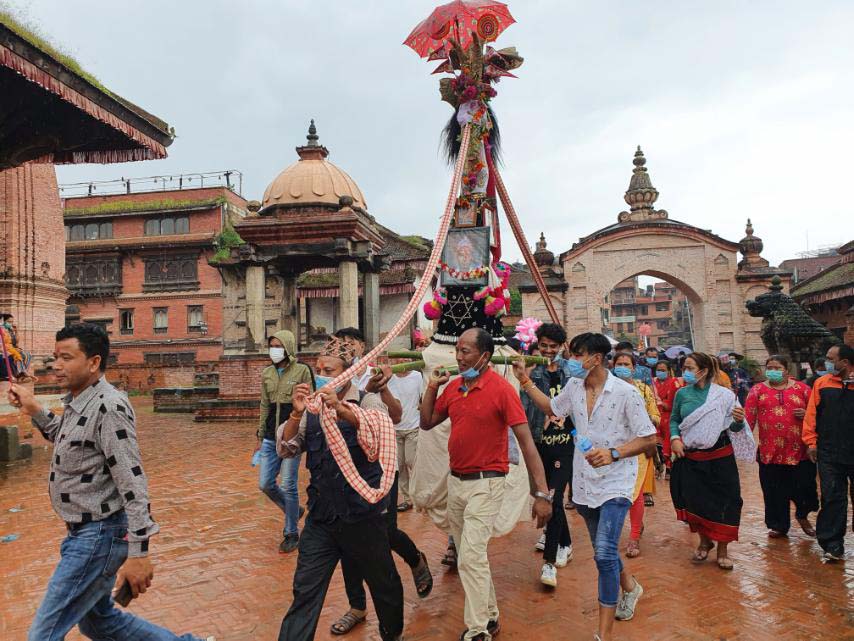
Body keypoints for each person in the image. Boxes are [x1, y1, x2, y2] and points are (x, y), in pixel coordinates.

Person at [7, 323, 213, 641]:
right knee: (98, 621)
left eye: (67, 357)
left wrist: (140, 551)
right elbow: (62, 435)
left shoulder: (109, 407)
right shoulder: (80, 402)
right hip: (82, 532)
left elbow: (132, 481)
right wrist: (33, 406)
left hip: (98, 536)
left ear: (93, 362)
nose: (57, 365)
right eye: (55, 357)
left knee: (43, 635)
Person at [515, 332, 657, 641]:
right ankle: (631, 588)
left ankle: (603, 634)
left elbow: (649, 437)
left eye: (577, 356)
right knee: (602, 550)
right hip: (583, 482)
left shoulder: (626, 393)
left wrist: (614, 453)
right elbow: (552, 408)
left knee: (604, 553)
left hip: (617, 482)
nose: (571, 361)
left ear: (595, 358)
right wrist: (525, 381)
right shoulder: (573, 387)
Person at [421, 328, 552, 641]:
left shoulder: (502, 390)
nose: (459, 356)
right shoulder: (453, 387)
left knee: (471, 555)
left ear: (485, 355)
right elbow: (427, 422)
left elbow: (527, 444)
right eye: (458, 350)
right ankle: (491, 617)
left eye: (466, 351)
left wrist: (542, 494)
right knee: (471, 556)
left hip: (488, 483)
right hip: (457, 482)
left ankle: (478, 628)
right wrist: (432, 388)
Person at [276, 338, 404, 641]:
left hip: (362, 516)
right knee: (305, 589)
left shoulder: (367, 401)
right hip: (322, 518)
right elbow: (287, 448)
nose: (321, 375)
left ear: (348, 372)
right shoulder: (312, 408)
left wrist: (343, 410)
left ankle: (392, 634)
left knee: (383, 583)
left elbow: (376, 435)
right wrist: (295, 414)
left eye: (329, 370)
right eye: (318, 369)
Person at [331, 364, 432, 636]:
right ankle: (357, 606)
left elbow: (397, 416)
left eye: (350, 345)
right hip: (344, 477)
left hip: (382, 472)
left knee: (386, 533)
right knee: (347, 540)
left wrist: (381, 388)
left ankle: (415, 559)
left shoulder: (375, 374)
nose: (325, 371)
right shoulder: (327, 387)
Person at [670, 352, 750, 571]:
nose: (684, 372)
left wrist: (738, 421)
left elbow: (733, 429)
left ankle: (723, 551)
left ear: (703, 371)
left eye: (689, 368)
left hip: (720, 458)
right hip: (691, 458)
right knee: (697, 501)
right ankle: (705, 542)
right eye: (683, 368)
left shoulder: (724, 396)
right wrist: (675, 438)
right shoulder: (682, 394)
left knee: (726, 502)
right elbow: (674, 420)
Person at [518, 322, 574, 586]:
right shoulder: (531, 371)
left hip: (566, 444)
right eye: (544, 346)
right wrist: (524, 379)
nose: (548, 351)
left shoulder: (570, 372)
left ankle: (549, 563)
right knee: (545, 495)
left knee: (553, 498)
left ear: (561, 347)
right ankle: (566, 542)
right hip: (540, 443)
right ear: (537, 344)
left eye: (553, 347)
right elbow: (524, 409)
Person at [744, 355, 817, 538]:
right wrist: (744, 445)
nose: (773, 371)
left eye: (777, 367)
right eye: (770, 367)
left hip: (800, 451)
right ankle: (779, 525)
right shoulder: (757, 390)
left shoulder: (803, 389)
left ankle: (802, 515)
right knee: (774, 491)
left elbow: (817, 413)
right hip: (770, 452)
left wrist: (807, 414)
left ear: (787, 370)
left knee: (805, 488)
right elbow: (748, 420)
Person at [258, 330, 314, 553]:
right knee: (265, 484)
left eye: (279, 345)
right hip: (271, 437)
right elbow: (264, 404)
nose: (275, 349)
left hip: (292, 435)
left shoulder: (302, 370)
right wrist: (260, 434)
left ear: (288, 347)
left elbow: (310, 402)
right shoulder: (267, 373)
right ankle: (294, 510)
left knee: (288, 484)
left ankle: (291, 532)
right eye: (272, 345)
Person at [802, 343, 854, 563]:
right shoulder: (821, 384)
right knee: (832, 496)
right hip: (829, 452)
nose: (827, 362)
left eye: (831, 359)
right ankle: (832, 543)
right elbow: (811, 415)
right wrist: (810, 442)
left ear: (845, 362)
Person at [611, 352, 660, 558]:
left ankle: (633, 537)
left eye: (626, 364)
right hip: (613, 450)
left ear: (633, 368)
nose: (622, 367)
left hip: (638, 449)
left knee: (636, 493)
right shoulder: (607, 390)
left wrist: (644, 418)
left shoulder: (643, 389)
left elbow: (656, 417)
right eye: (619, 364)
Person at [389, 364, 422, 512]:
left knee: (411, 461)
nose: (401, 361)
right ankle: (407, 499)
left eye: (404, 358)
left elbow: (422, 397)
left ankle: (419, 496)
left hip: (413, 426)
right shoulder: (390, 378)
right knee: (399, 465)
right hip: (395, 428)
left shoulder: (417, 376)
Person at [652, 360, 682, 477]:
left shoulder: (674, 383)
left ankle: (669, 467)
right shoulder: (652, 383)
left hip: (669, 417)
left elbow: (673, 404)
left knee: (668, 443)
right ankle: (659, 465)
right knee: (655, 443)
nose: (660, 372)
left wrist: (661, 403)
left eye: (663, 370)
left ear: (669, 371)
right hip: (655, 417)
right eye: (658, 370)